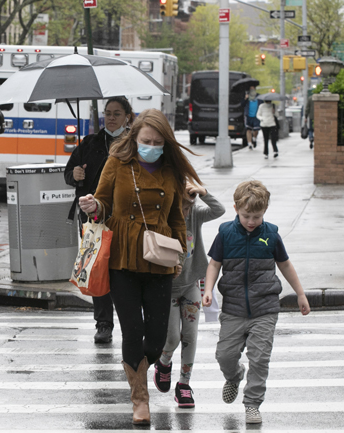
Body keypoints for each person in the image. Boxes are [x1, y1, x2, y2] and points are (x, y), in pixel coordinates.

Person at [78, 109, 201, 425]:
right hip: (122, 256)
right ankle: (140, 401)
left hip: (158, 258)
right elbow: (104, 203)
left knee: (158, 338)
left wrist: (180, 253)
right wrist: (94, 205)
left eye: (159, 142)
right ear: (134, 138)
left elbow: (176, 216)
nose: (152, 146)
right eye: (147, 140)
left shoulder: (170, 170)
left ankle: (155, 364)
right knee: (132, 329)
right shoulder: (117, 163)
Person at [203, 180, 311, 424]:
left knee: (260, 357)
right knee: (225, 355)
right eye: (246, 215)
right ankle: (234, 376)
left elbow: (285, 264)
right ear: (235, 209)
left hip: (265, 308)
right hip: (233, 308)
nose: (251, 221)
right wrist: (208, 289)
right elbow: (214, 264)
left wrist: (301, 294)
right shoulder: (226, 233)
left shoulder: (271, 234)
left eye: (256, 216)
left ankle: (252, 404)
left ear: (264, 212)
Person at [65, 96, 135, 344]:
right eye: (108, 113)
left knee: (123, 270)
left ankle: (131, 321)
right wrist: (75, 174)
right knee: (97, 267)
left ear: (128, 116)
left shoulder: (134, 143)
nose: (111, 117)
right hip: (93, 218)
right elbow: (68, 173)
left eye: (117, 113)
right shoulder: (90, 142)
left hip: (125, 217)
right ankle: (104, 323)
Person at [153, 181, 225, 408]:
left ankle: (184, 385)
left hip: (191, 284)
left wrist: (204, 192)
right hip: (168, 288)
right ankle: (163, 362)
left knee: (191, 336)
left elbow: (219, 210)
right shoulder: (162, 218)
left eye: (188, 206)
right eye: (181, 207)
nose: (185, 212)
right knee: (173, 337)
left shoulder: (195, 214)